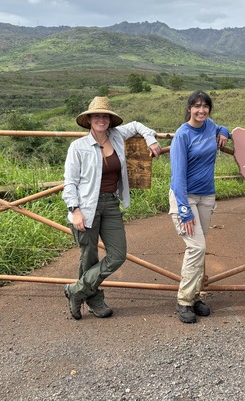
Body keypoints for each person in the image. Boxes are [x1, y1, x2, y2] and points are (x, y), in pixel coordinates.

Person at [62, 96, 161, 320]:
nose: (101, 119)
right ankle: (95, 301)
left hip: (111, 203)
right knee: (88, 256)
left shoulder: (117, 136)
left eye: (105, 115)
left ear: (110, 119)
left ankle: (75, 290)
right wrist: (74, 209)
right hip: (87, 206)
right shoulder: (78, 147)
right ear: (89, 120)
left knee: (117, 254)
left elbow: (136, 125)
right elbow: (70, 182)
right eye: (97, 115)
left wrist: (150, 138)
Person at [169, 90, 229, 324]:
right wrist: (183, 209)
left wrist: (223, 131)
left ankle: (194, 297)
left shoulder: (210, 125)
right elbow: (177, 176)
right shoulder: (182, 135)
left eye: (205, 106)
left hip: (207, 197)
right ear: (189, 109)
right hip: (185, 198)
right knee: (196, 247)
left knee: (199, 247)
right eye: (196, 106)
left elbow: (221, 127)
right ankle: (184, 299)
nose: (201, 110)